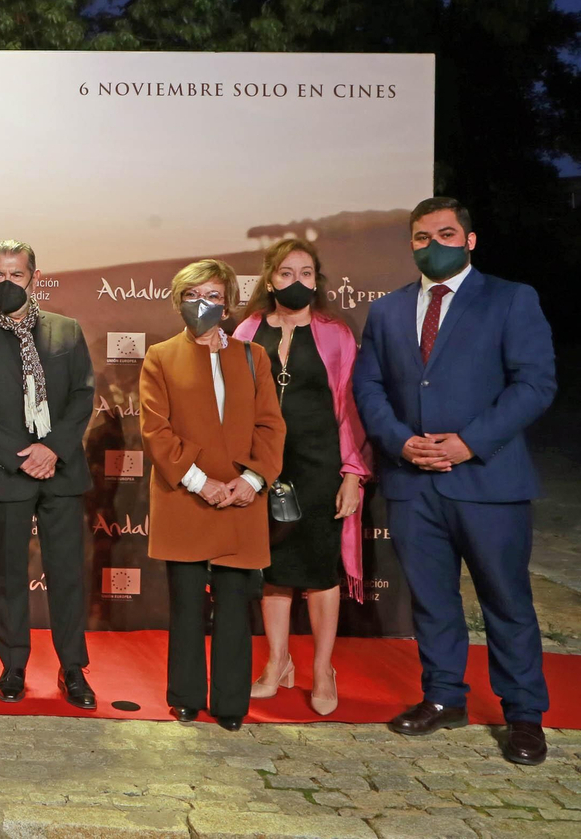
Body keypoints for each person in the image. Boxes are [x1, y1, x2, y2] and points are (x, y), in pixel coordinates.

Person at [353, 197, 556, 766]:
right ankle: (444, 698)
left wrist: (469, 442)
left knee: (507, 602)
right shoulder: (389, 310)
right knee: (433, 602)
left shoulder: (512, 299)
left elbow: (535, 384)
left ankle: (523, 715)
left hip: (489, 482)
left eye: (445, 233)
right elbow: (369, 388)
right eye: (421, 236)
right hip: (413, 483)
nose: (432, 244)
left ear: (469, 241)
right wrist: (399, 441)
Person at [0, 241, 97, 706]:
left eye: (15, 275)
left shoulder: (67, 332)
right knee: (9, 576)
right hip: (3, 473)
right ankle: (13, 667)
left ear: (34, 277)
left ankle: (73, 670)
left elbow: (82, 397)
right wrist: (20, 455)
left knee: (66, 573)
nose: (6, 283)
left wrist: (51, 449)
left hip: (62, 471)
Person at [139, 259, 284, 730]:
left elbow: (270, 426)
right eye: (193, 295)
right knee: (185, 606)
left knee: (235, 608)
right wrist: (203, 483)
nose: (203, 304)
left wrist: (251, 481)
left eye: (214, 296)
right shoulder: (160, 357)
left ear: (227, 304)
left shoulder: (253, 356)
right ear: (179, 300)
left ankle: (229, 704)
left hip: (243, 500)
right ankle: (184, 696)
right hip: (186, 498)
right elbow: (156, 432)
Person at [233, 238, 371, 716]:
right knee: (273, 570)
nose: (297, 282)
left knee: (318, 571)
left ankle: (323, 669)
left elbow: (351, 409)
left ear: (318, 280)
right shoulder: (247, 330)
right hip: (265, 469)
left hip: (320, 467)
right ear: (270, 279)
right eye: (287, 273)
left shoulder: (336, 333)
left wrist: (353, 473)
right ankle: (278, 663)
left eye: (307, 273)